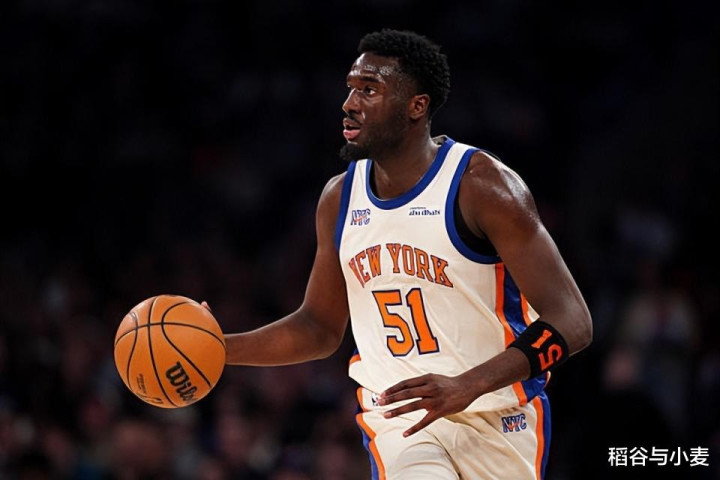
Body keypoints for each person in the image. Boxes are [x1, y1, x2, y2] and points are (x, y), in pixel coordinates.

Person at [219, 29, 592, 479]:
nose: (349, 103)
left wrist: (467, 385)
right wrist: (217, 349)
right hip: (400, 422)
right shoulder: (340, 199)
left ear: (417, 106)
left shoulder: (481, 186)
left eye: (369, 90)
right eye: (351, 88)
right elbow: (318, 327)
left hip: (497, 418)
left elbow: (573, 320)